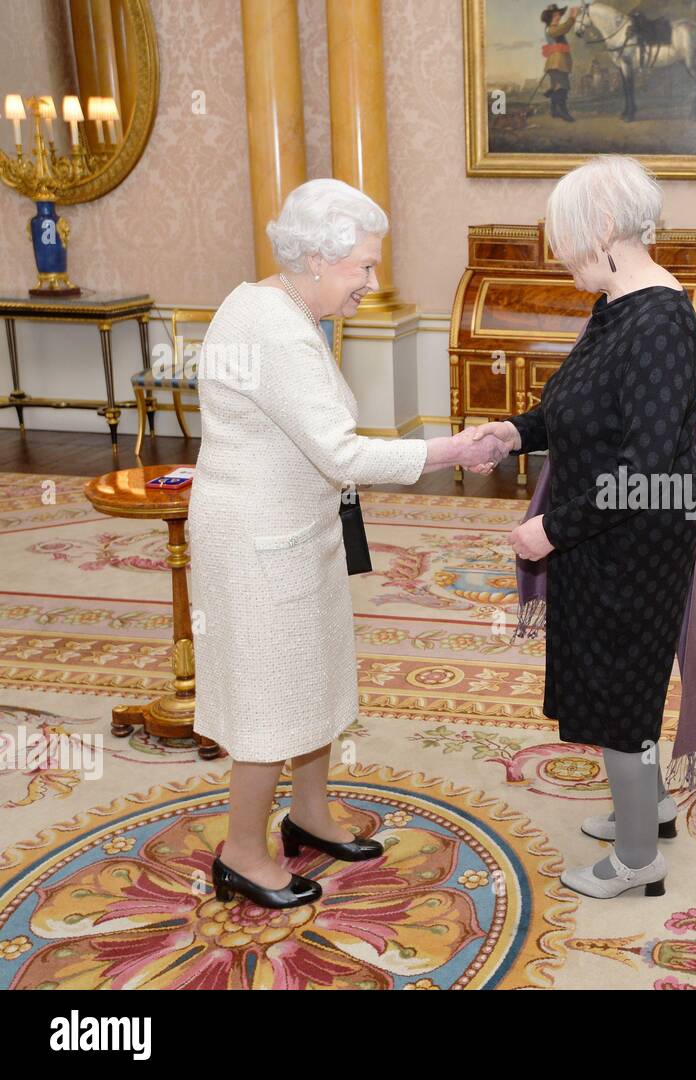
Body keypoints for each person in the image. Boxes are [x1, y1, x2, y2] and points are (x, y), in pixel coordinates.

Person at [190, 178, 511, 909]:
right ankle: (242, 851)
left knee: (314, 674)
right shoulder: (272, 328)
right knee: (268, 698)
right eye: (362, 267)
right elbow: (341, 453)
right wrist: (451, 451)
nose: (372, 281)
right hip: (258, 542)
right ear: (311, 259)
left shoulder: (279, 306)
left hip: (295, 530)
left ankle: (307, 813)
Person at [470, 155, 696, 898]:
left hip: (630, 538)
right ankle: (651, 807)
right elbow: (579, 407)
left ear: (603, 229)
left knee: (618, 686)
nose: (560, 254)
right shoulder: (618, 305)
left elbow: (644, 465)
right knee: (618, 676)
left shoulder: (660, 322)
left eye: (567, 238)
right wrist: (515, 430)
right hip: (605, 531)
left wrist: (554, 528)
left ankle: (639, 859)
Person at [541, 4, 578, 122]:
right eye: (555, 15)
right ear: (550, 17)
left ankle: (554, 111)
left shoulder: (553, 28)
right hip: (557, 63)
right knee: (563, 87)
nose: (558, 17)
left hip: (559, 63)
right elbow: (565, 28)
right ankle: (564, 113)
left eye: (559, 15)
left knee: (557, 87)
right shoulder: (552, 29)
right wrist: (572, 17)